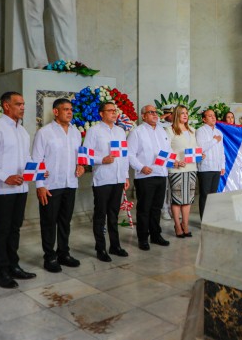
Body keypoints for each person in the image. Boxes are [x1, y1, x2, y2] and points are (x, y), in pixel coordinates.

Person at [0, 92, 37, 288]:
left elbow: (26, 158)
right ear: (6, 106)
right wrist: (6, 176)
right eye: (18, 104)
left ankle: (13, 266)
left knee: (15, 228)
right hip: (3, 189)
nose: (22, 107)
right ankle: (1, 271)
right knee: (3, 229)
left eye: (23, 104)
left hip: (21, 187)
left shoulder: (22, 131)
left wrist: (36, 172)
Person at [32, 98, 84, 273]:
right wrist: (40, 185)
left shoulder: (76, 133)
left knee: (65, 221)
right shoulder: (44, 133)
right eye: (65, 109)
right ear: (56, 111)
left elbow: (80, 157)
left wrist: (81, 165)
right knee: (49, 222)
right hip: (50, 185)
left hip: (70, 183)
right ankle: (50, 257)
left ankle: (64, 253)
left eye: (71, 109)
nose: (69, 112)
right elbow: (37, 160)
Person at [84, 101, 130, 262]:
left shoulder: (120, 131)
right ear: (101, 114)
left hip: (117, 178)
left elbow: (124, 155)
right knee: (100, 214)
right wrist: (101, 159)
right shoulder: (94, 131)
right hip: (102, 178)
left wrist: (125, 176)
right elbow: (86, 155)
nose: (113, 113)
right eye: (110, 110)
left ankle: (115, 245)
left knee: (113, 214)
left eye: (115, 110)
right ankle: (100, 248)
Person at [127, 105, 172, 251]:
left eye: (155, 112)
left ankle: (156, 235)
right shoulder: (137, 132)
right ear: (144, 116)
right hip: (145, 175)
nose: (154, 115)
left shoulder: (161, 131)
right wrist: (141, 167)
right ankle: (142, 238)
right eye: (151, 112)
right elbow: (130, 154)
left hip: (161, 173)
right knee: (144, 209)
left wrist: (174, 161)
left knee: (157, 208)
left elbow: (168, 150)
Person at [166, 105, 199, 238]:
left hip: (191, 167)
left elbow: (195, 147)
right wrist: (175, 161)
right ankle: (177, 225)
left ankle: (185, 224)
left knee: (188, 199)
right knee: (177, 199)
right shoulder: (170, 130)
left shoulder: (192, 130)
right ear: (177, 115)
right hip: (176, 168)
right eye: (182, 113)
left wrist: (199, 154)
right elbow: (166, 149)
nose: (185, 115)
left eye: (186, 113)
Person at [196, 109, 226, 219]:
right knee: (205, 195)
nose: (213, 117)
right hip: (205, 168)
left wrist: (222, 165)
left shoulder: (219, 133)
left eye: (214, 115)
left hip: (216, 167)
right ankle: (204, 220)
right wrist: (214, 141)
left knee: (213, 196)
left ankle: (211, 218)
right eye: (210, 116)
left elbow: (222, 151)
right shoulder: (200, 131)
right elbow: (200, 148)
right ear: (204, 119)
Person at [158, 105, 175, 221]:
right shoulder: (161, 126)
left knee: (172, 185)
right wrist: (162, 117)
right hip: (164, 159)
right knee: (165, 186)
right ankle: (164, 208)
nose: (172, 117)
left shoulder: (177, 125)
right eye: (170, 114)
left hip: (174, 158)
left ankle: (171, 207)